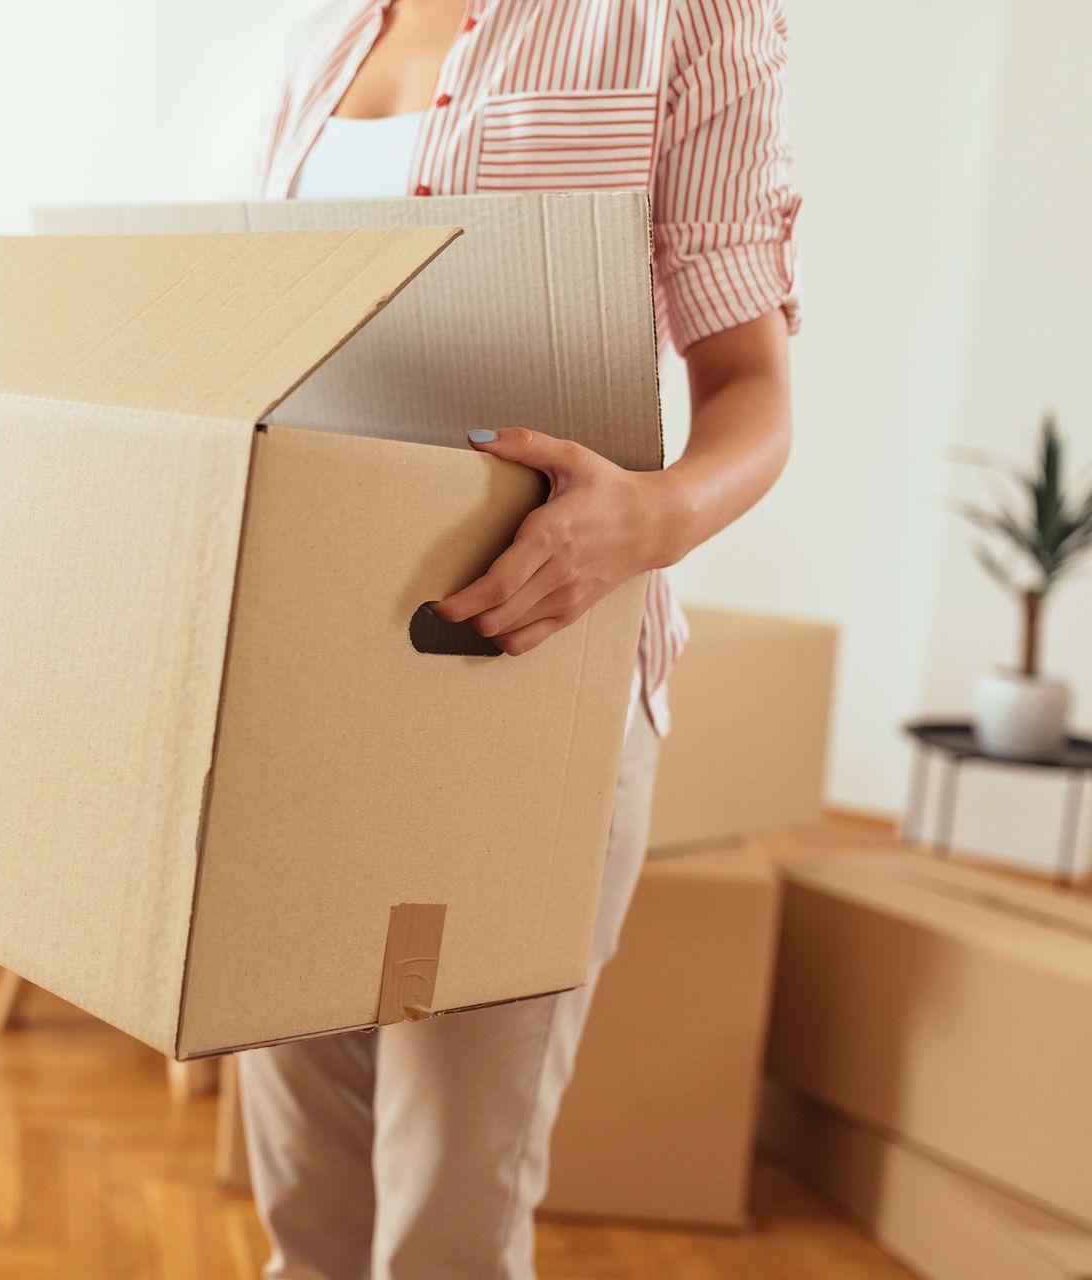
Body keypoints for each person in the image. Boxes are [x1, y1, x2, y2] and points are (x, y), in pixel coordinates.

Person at [239, 2, 800, 1277]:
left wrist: (649, 516)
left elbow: (754, 394)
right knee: (308, 1218)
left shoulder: (679, 17)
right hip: (304, 680)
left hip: (533, 688)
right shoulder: (322, 31)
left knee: (447, 1223)